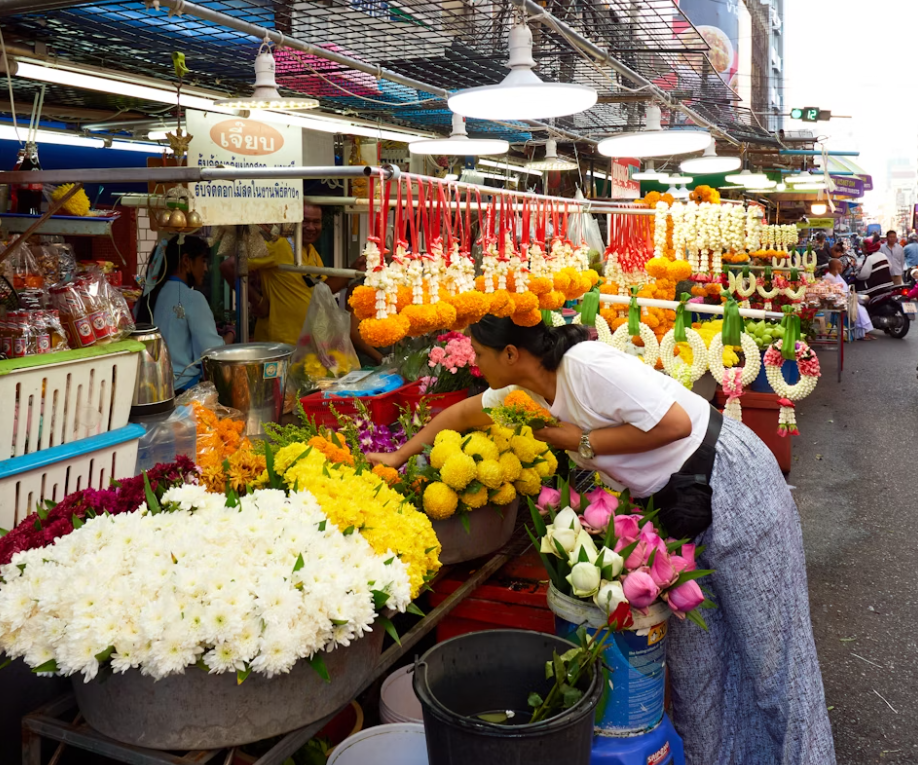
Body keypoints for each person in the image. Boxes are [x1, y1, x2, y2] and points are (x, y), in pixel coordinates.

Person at [368, 317, 837, 764]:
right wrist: (399, 456)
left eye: (480, 353)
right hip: (680, 509)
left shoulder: (586, 366)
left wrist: (580, 439)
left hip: (731, 480)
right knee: (698, 670)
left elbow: (676, 424)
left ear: (510, 353)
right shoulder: (518, 396)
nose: (475, 363)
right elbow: (462, 413)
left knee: (775, 662)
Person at [220, 203, 350, 345]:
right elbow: (229, 266)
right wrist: (257, 301)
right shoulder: (279, 245)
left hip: (307, 344)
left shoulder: (311, 252)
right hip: (279, 344)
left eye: (316, 222)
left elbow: (324, 289)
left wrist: (354, 270)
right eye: (305, 221)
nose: (311, 227)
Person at [137, 236, 233, 394]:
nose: (206, 268)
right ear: (186, 261)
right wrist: (231, 334)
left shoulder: (148, 297)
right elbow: (212, 353)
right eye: (203, 261)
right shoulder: (192, 298)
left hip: (150, 390)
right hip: (181, 390)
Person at [824, 258, 875, 340]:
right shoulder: (830, 277)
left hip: (847, 298)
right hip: (840, 301)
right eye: (840, 266)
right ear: (836, 268)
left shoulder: (836, 275)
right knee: (860, 310)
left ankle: (862, 333)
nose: (842, 268)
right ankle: (861, 334)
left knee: (861, 308)